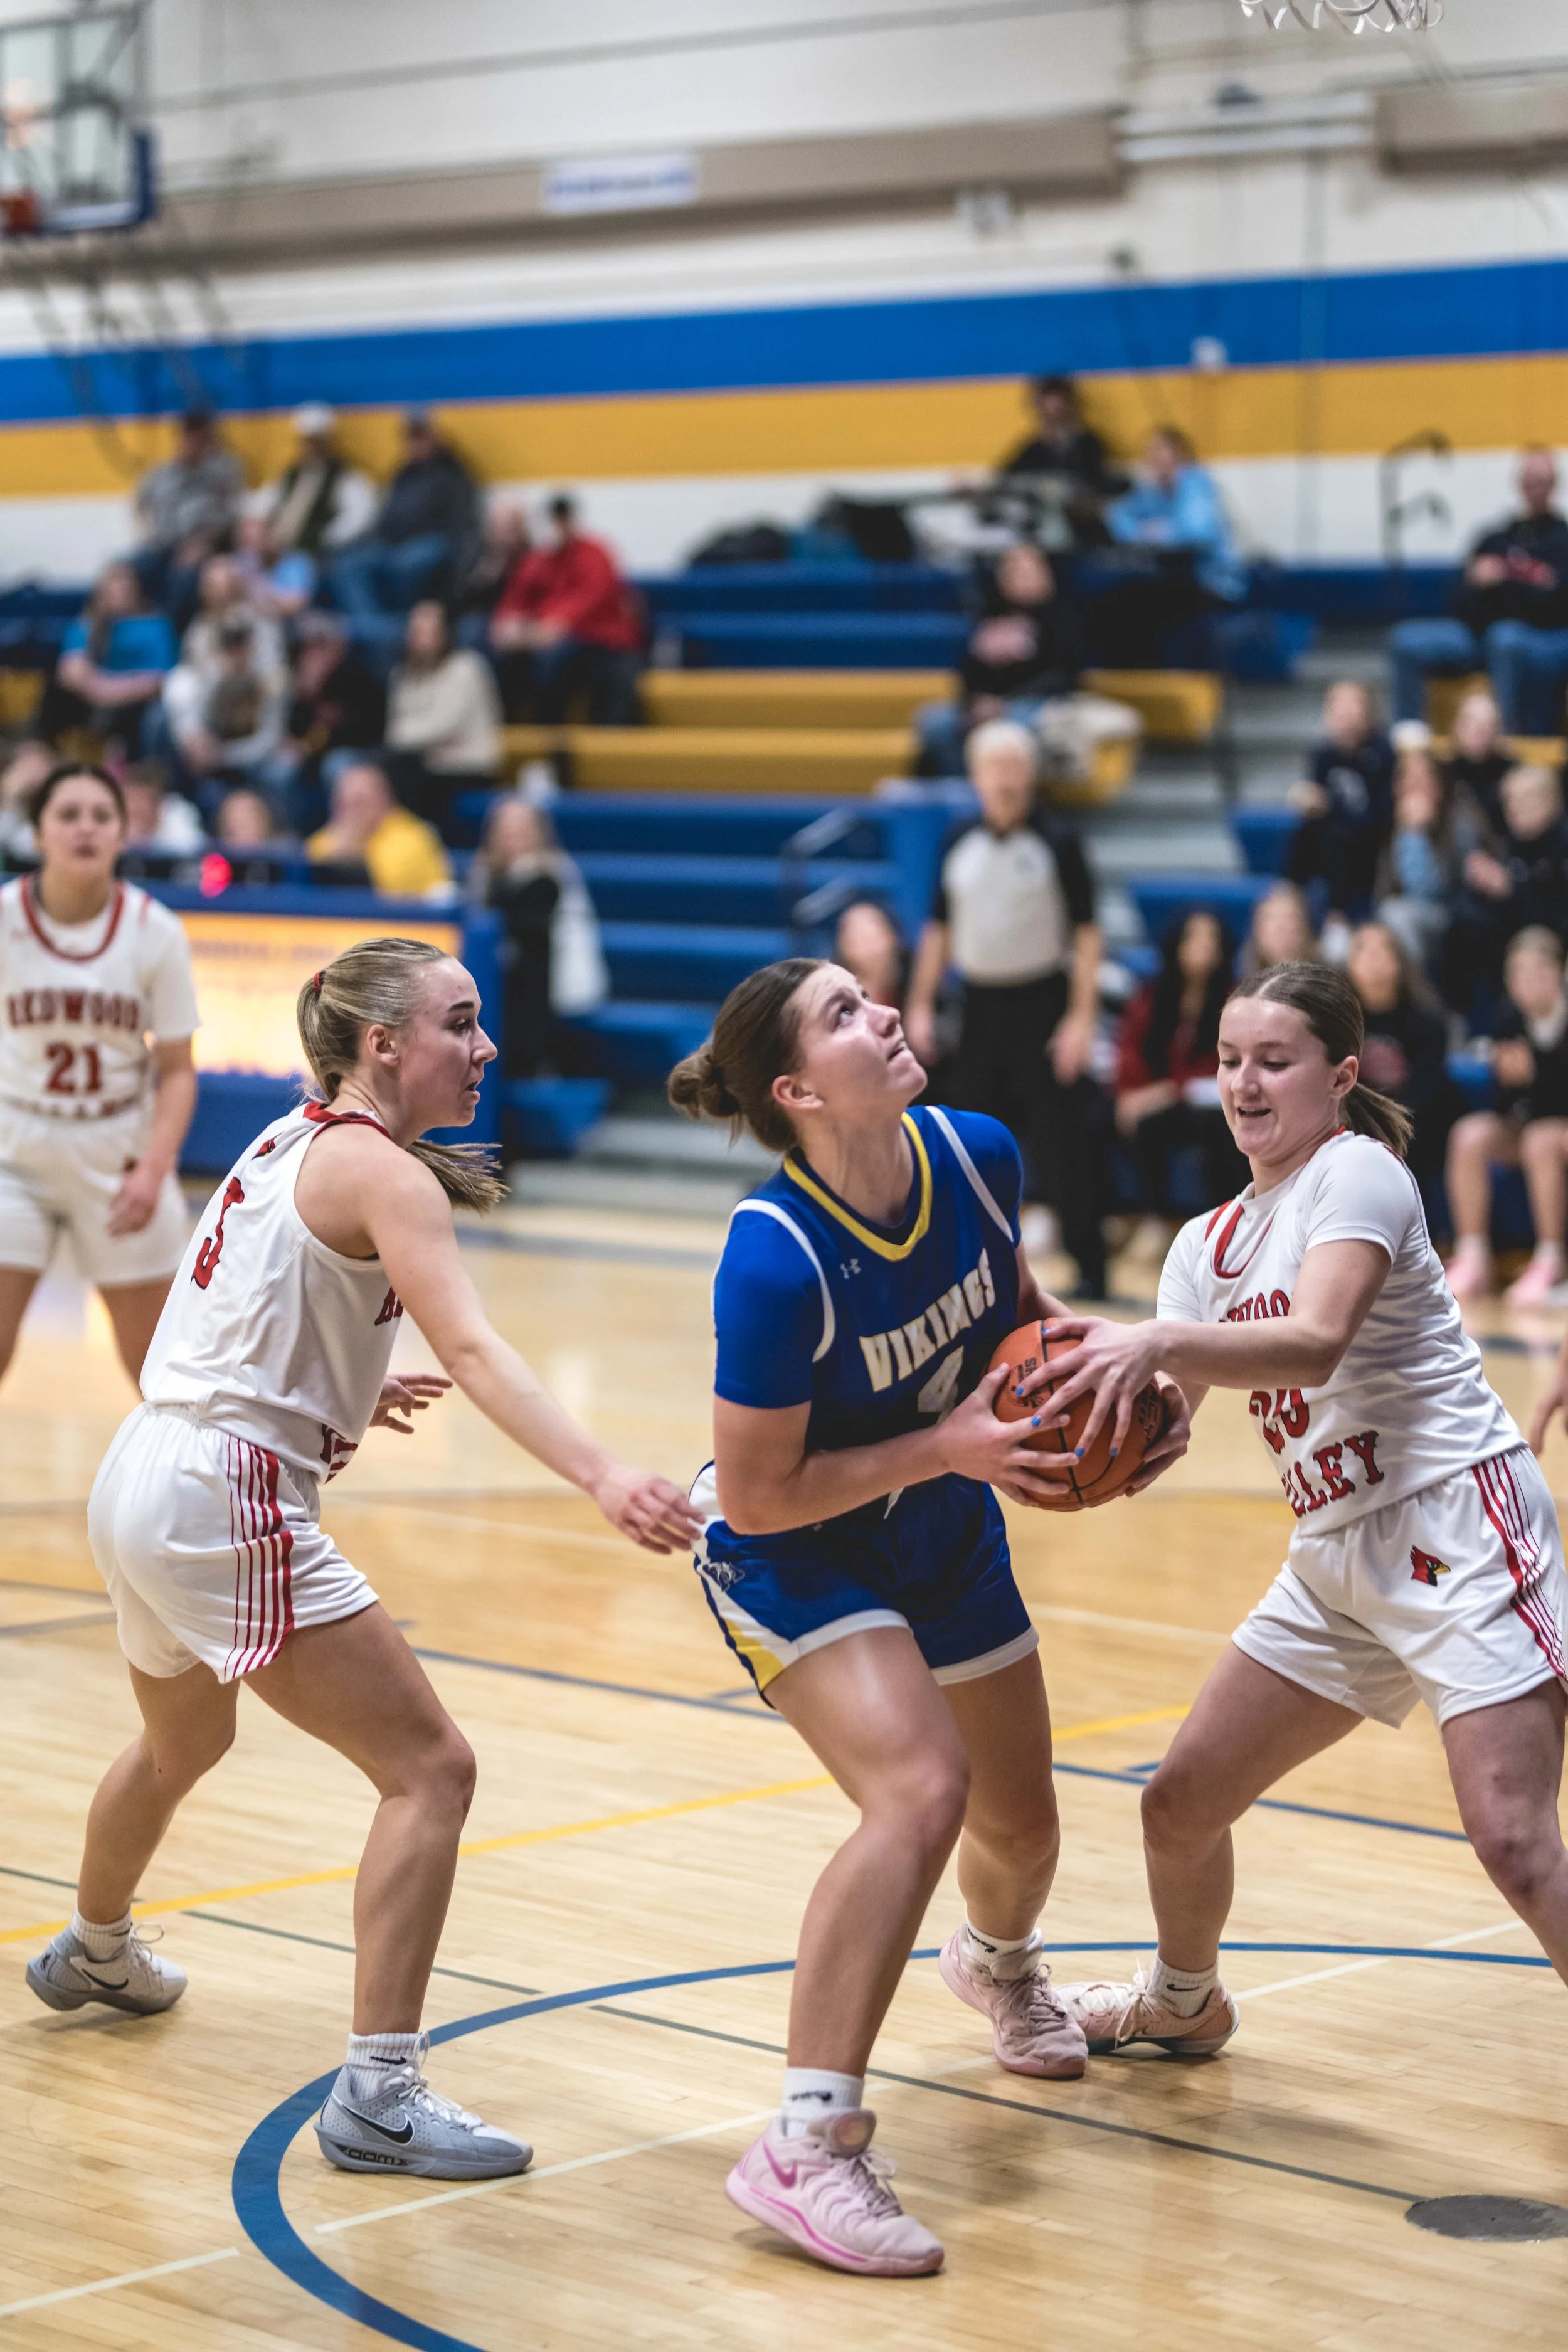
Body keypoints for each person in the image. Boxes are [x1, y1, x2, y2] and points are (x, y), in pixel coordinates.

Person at [29, 936, 701, 2185]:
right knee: (432, 1771)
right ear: (383, 1045)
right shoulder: (389, 1175)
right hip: (224, 1495)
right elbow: (485, 1350)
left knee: (188, 1742)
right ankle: (379, 2098)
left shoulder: (286, 1140)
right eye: (460, 1023)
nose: (485, 1046)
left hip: (141, 1474)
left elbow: (225, 1298)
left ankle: (96, 1946)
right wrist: (604, 1475)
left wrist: (345, 1379)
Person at [667, 957, 1189, 2273]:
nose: (884, 1014)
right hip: (797, 1550)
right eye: (843, 1014)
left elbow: (1009, 1316)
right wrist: (944, 1446)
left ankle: (996, 1962)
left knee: (1019, 1824)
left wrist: (1102, 1389)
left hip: (941, 1518)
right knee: (916, 1790)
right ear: (793, 1090)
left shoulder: (974, 1157)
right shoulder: (771, 1259)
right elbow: (759, 1490)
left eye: (871, 996)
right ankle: (804, 2141)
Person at [1014, 961, 1568, 2063]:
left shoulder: (1361, 1174)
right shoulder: (1201, 1248)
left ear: (1341, 1075)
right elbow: (1166, 1416)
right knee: (1176, 1804)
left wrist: (1157, 1343)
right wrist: (1076, 1428)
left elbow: (1314, 1340)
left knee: (1513, 1838)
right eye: (1228, 1060)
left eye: (1275, 1060)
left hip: (1457, 1521)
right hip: (1334, 1556)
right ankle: (1183, 2000)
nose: (1244, 1084)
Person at [0, 763, 196, 1387]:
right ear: (36, 834)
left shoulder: (156, 931)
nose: (85, 828)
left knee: (159, 1369)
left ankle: (184, 1486)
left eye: (101, 816)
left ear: (122, 834)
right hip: (15, 1149)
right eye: (68, 815)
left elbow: (177, 1071)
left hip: (117, 1152)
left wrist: (153, 1170)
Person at [906, 719, 1108, 1298]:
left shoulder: (1059, 841)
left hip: (1043, 1002)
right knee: (959, 1138)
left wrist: (1080, 1019)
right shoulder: (956, 841)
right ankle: (955, 1262)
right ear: (975, 776)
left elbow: (1089, 936)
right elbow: (938, 928)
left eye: (1015, 766)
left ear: (1032, 774)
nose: (1006, 779)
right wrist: (919, 1003)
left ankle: (1091, 1266)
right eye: (994, 767)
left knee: (1062, 1141)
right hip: (977, 1006)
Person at [915, 543, 1138, 785]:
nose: (1021, 578)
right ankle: (962, 790)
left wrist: (1005, 705)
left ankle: (1019, 799)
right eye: (1013, 571)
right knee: (936, 721)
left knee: (1015, 724)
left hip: (1041, 704)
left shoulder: (1062, 616)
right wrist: (973, 703)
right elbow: (970, 670)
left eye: (1028, 571)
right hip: (989, 703)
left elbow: (1065, 674)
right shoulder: (990, 616)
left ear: (1045, 576)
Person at [1388, 450, 1568, 734]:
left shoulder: (1562, 540)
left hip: (1541, 640)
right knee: (1405, 640)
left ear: (1555, 484)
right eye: (1530, 480)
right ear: (1519, 483)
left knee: (1506, 638)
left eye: (1543, 481)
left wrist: (1503, 582)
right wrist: (1501, 588)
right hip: (1479, 633)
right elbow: (1458, 598)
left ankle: (1502, 741)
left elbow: (1555, 606)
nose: (1536, 487)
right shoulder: (1494, 537)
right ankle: (1410, 741)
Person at [1445, 926, 1568, 1307]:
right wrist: (1507, 1079)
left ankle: (1551, 1259)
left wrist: (1539, 1074)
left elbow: (1552, 1099)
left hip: (1553, 1128)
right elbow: (1508, 1105)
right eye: (1517, 974)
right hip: (1533, 1126)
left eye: (1537, 972)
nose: (1526, 983)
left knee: (1542, 1139)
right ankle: (1473, 1254)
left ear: (1560, 972)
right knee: (1470, 1134)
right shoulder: (1507, 1019)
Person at [1115, 909, 1248, 1222]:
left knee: (1212, 1129)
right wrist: (1129, 1094)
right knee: (1103, 1118)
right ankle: (1142, 1218)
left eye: (1212, 939)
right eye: (1194, 937)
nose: (1204, 946)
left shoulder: (1236, 1000)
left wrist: (1166, 1091)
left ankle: (1226, 1222)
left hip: (1209, 1103)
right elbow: (1130, 1049)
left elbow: (1222, 1064)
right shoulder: (1150, 996)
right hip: (1155, 1097)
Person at [467, 796, 607, 1075]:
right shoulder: (484, 873)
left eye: (521, 830)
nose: (512, 838)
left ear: (539, 833)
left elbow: (533, 926)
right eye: (505, 830)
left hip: (548, 991)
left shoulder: (552, 875)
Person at [1091, 426, 1245, 667]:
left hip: (1212, 583)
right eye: (1151, 452)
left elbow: (1195, 533)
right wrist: (1149, 531)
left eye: (1163, 451)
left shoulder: (1197, 484)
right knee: (1112, 599)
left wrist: (1159, 531)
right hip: (1173, 579)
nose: (1156, 458)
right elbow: (1118, 517)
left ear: (1181, 455)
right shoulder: (1150, 492)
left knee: (1137, 603)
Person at [489, 495, 642, 724]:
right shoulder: (536, 561)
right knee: (496, 653)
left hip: (598, 643)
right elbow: (514, 602)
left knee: (553, 658)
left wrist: (552, 626)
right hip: (543, 640)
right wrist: (509, 625)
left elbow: (592, 600)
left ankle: (550, 731)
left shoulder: (594, 554)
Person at [1446, 763, 1568, 1022]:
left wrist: (1511, 888)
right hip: (1510, 932)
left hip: (1553, 933)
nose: (1515, 807)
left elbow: (1557, 905)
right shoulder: (1507, 842)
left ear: (1554, 801)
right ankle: (1468, 1020)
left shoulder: (1561, 841)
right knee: (1464, 920)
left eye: (1527, 798)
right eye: (1510, 800)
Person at [331, 410, 479, 619]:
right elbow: (385, 517)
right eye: (411, 438)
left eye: (421, 436)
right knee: (349, 564)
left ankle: (407, 625)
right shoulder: (403, 474)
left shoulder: (453, 473)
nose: (416, 443)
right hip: (391, 545)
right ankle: (375, 628)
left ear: (435, 437)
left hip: (431, 543)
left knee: (409, 565)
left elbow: (462, 523)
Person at [1345, 918, 1454, 1197]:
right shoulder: (1337, 1019)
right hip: (1353, 1120)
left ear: (1400, 962)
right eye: (1364, 951)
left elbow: (1427, 1087)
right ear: (1350, 964)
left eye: (1384, 951)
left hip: (1415, 1122)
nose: (1375, 960)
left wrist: (1383, 1125)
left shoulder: (1427, 1018)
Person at [1285, 681, 1396, 938]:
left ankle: (1338, 915)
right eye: (1338, 709)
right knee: (1308, 830)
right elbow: (1317, 804)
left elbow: (1380, 816)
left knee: (1331, 830)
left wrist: (1328, 805)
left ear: (1368, 714)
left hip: (1372, 845)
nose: (1345, 716)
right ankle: (1289, 895)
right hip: (1334, 845)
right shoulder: (1323, 757)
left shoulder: (1382, 755)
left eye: (1353, 707)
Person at [384, 600, 502, 834]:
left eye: (427, 631)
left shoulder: (466, 668)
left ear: (445, 633)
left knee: (401, 769)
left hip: (468, 765)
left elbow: (444, 726)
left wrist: (407, 737)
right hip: (423, 761)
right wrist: (409, 739)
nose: (419, 638)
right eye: (415, 631)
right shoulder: (403, 675)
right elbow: (395, 728)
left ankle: (420, 836)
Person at [38, 563, 177, 758]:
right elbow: (70, 672)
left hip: (135, 703)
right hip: (90, 699)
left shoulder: (156, 625)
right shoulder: (86, 624)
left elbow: (159, 679)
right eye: (113, 589)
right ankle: (42, 753)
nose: (120, 595)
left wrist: (107, 689)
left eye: (126, 589)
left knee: (155, 711)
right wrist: (100, 690)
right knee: (53, 687)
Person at [275, 613, 388, 835]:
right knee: (280, 769)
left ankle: (345, 835)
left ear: (337, 646)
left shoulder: (359, 675)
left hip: (357, 750)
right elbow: (295, 730)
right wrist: (307, 695)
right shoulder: (302, 682)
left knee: (336, 766)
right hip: (313, 754)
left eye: (321, 646)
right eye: (309, 648)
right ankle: (289, 833)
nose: (314, 654)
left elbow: (372, 728)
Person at [161, 615, 289, 812]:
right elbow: (195, 716)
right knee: (172, 739)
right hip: (219, 752)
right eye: (230, 646)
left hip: (254, 757)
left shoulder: (272, 681)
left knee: (279, 770)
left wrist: (224, 756)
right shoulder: (215, 676)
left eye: (242, 645)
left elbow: (269, 740)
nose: (237, 653)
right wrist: (196, 741)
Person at [132, 407, 243, 607]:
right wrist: (146, 535)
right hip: (163, 546)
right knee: (132, 569)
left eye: (200, 440)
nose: (193, 445)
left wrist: (203, 544)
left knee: (185, 577)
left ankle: (174, 632)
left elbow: (231, 518)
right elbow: (140, 505)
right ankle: (146, 627)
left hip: (206, 548)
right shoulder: (162, 473)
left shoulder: (223, 473)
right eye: (188, 438)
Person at [997, 374, 1117, 544]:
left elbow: (1093, 485)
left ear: (1071, 408)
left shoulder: (1088, 444)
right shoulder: (1033, 448)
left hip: (1079, 522)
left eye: (1059, 411)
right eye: (1048, 412)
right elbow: (1005, 478)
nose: (1053, 417)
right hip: (1038, 522)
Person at [307, 761, 453, 901]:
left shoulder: (412, 836)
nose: (351, 811)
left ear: (384, 799)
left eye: (359, 802)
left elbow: (389, 892)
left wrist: (350, 852)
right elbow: (310, 875)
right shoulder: (328, 836)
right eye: (344, 802)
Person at [1372, 744, 1459, 978]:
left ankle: (1419, 998)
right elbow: (1381, 890)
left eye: (1422, 778)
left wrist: (1414, 834)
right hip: (1400, 919)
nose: (1413, 786)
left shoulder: (1461, 820)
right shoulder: (1389, 822)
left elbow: (1428, 892)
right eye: (1406, 778)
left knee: (1397, 915)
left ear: (1439, 786)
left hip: (1451, 924)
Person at [262, 403, 378, 558]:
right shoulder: (291, 475)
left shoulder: (345, 477)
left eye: (316, 441)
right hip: (277, 552)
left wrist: (322, 539)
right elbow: (265, 502)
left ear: (329, 441)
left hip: (316, 556)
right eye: (307, 441)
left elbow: (359, 517)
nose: (311, 448)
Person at [1443, 689, 1510, 837]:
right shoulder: (1443, 775)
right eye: (1471, 721)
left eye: (1489, 724)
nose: (1480, 729)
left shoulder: (1513, 774)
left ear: (1499, 731)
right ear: (1457, 727)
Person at [233, 507, 316, 622]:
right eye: (248, 541)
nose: (253, 548)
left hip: (289, 626)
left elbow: (296, 604)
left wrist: (261, 595)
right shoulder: (243, 560)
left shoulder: (296, 562)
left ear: (270, 533)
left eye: (257, 539)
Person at [119, 760, 207, 861]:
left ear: (158, 803)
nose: (134, 807)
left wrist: (144, 841)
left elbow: (193, 851)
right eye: (130, 799)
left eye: (141, 800)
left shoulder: (178, 815)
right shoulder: (114, 817)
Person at [834, 898, 906, 1011]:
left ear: (892, 938)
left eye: (874, 937)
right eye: (860, 938)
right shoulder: (835, 999)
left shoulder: (911, 993)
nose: (870, 947)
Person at [1239, 881, 1320, 980]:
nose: (1283, 931)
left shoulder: (1328, 986)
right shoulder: (1240, 990)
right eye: (1272, 919)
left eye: (1291, 918)